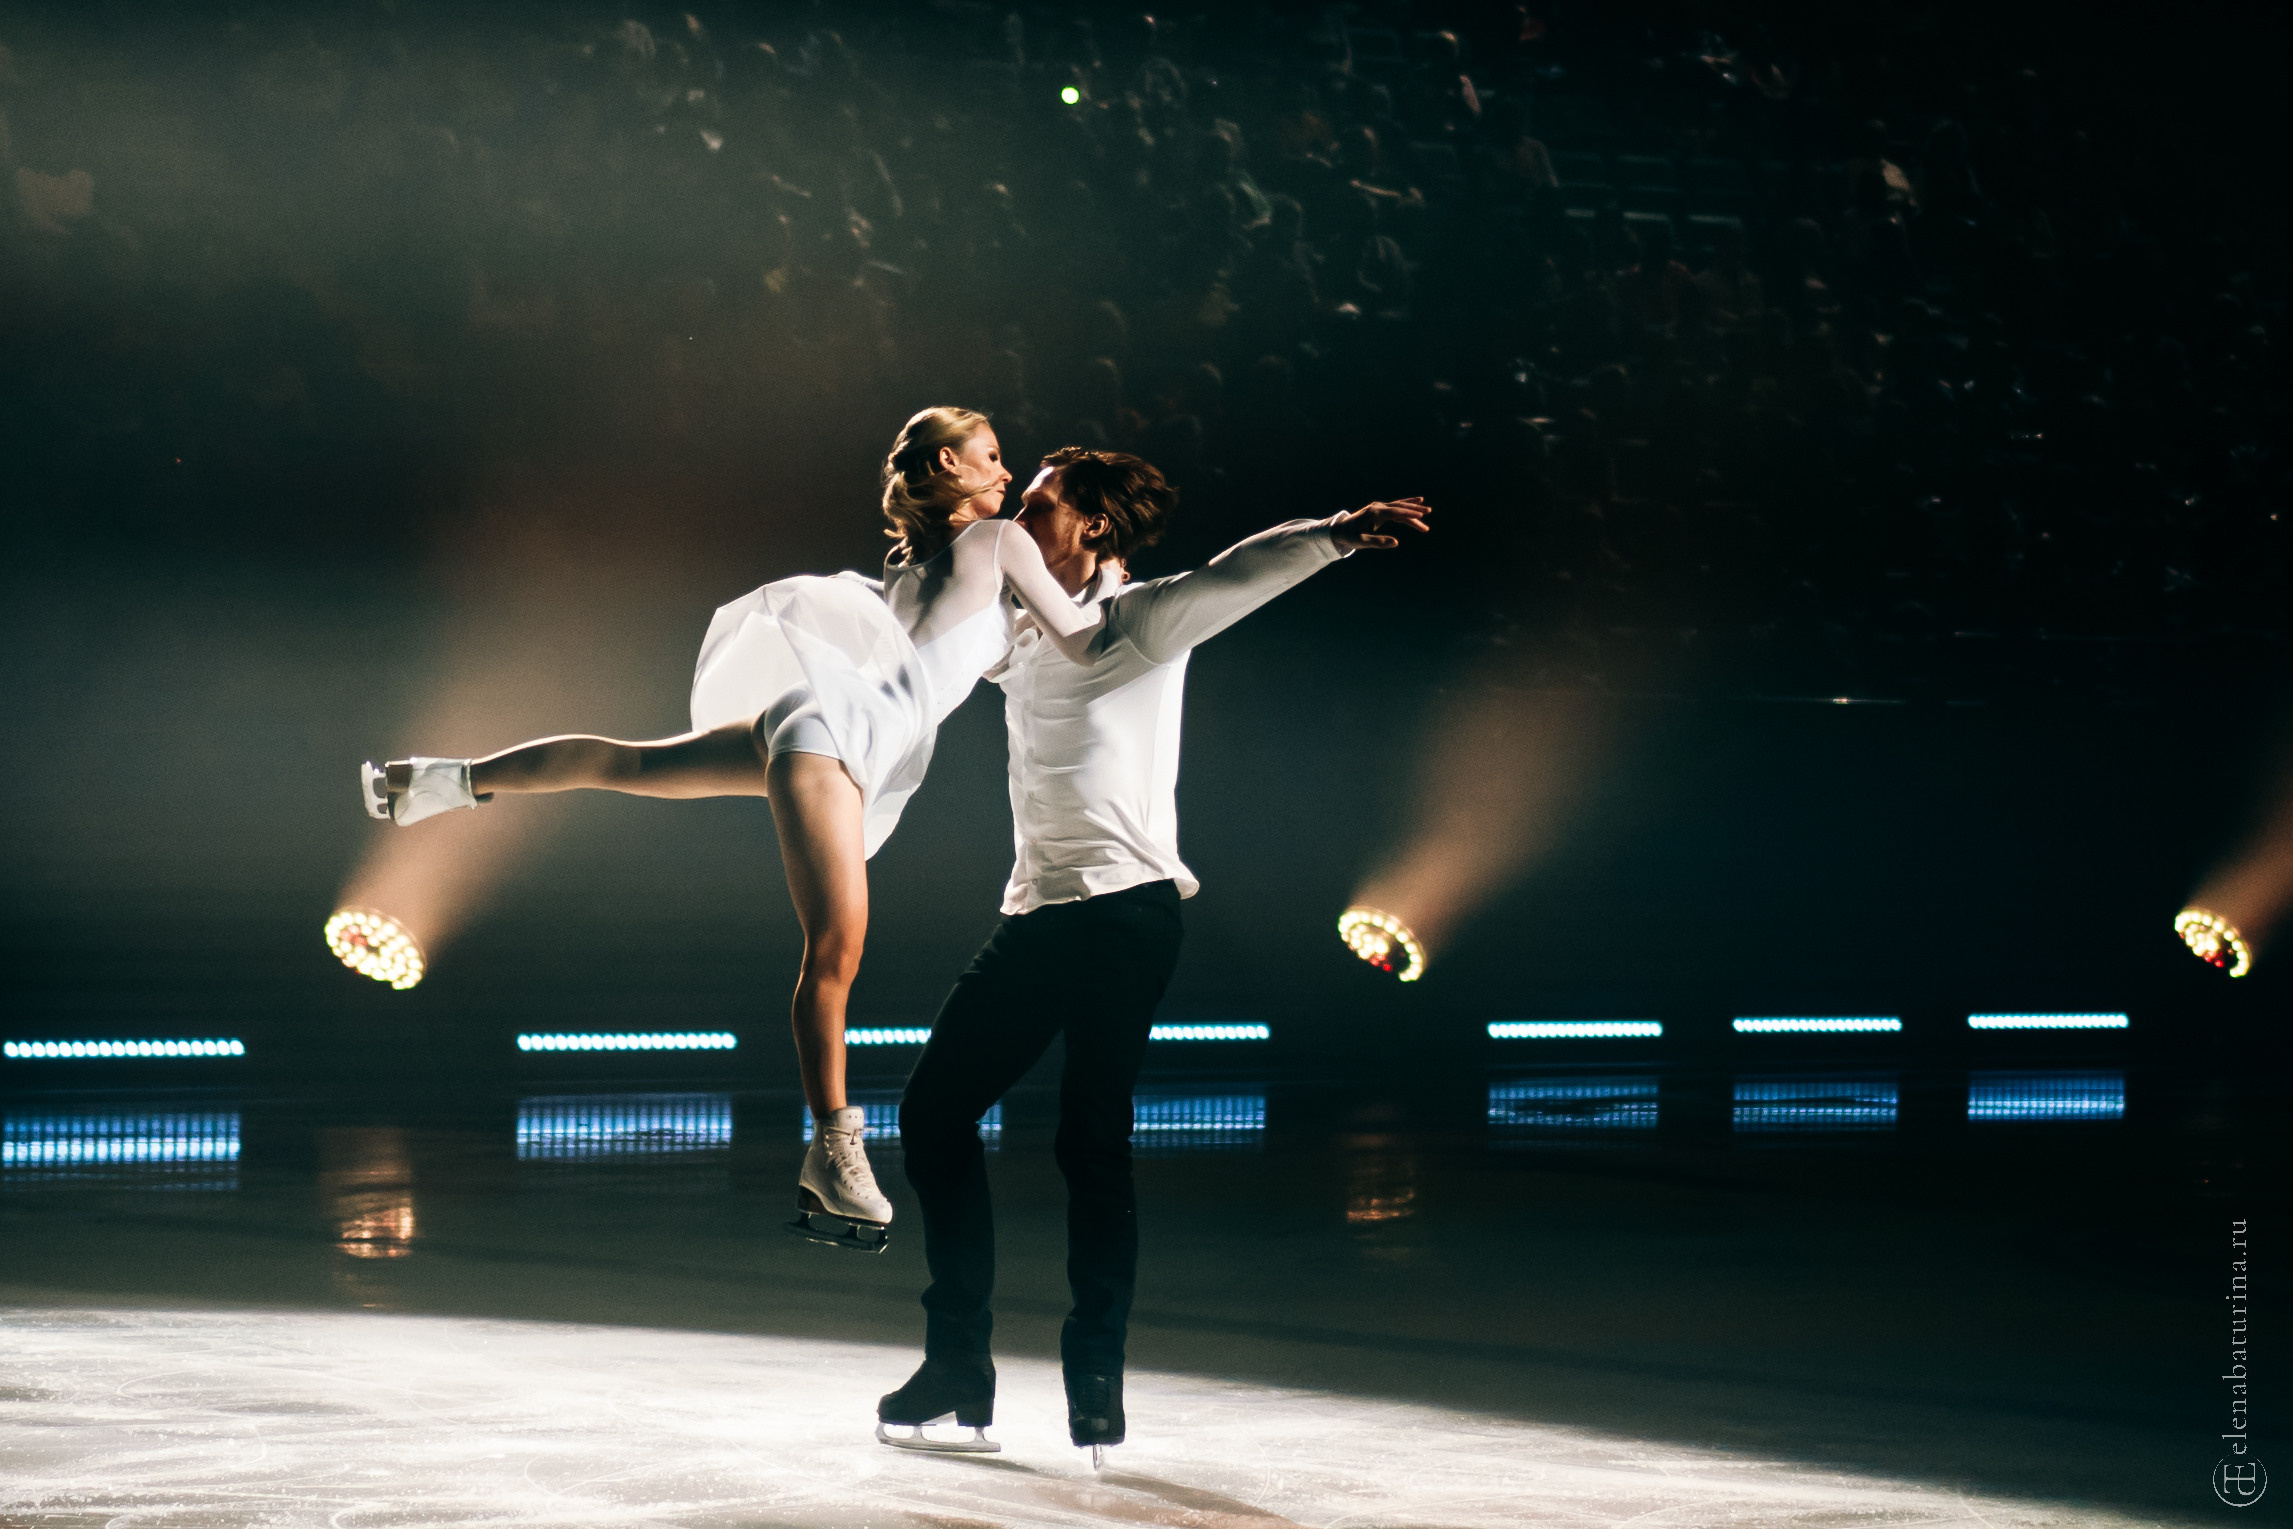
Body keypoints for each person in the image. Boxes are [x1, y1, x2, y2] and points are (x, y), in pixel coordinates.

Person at [359, 407, 1113, 1251]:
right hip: (834, 734)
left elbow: (1011, 651)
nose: (1008, 475)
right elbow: (1086, 642)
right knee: (833, 952)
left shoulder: (940, 567)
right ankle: (835, 1149)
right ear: (951, 462)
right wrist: (1113, 574)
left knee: (627, 763)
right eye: (994, 456)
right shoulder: (1001, 542)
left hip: (810, 723)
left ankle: (434, 783)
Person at [874, 448, 1428, 1460]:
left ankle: (1093, 1375)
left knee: (1089, 1139)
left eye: (1038, 505)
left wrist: (1341, 526)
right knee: (934, 1110)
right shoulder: (1018, 635)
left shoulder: (1143, 621)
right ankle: (960, 1362)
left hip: (1126, 912)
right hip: (1040, 911)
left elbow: (1237, 570)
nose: (1020, 518)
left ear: (1090, 530)